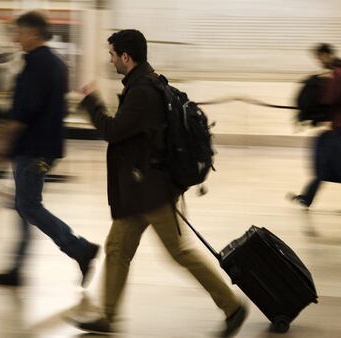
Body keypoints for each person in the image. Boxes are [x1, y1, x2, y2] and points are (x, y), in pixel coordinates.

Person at [71, 29, 247, 337]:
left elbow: (113, 131)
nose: (110, 60)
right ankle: (108, 316)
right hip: (141, 190)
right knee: (116, 249)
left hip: (151, 192)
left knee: (179, 252)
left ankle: (232, 305)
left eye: (112, 54)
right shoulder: (147, 83)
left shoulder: (142, 91)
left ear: (126, 57)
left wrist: (91, 104)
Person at [0, 11, 99, 287]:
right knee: (22, 205)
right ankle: (16, 267)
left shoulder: (37, 64)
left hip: (33, 148)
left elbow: (25, 110)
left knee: (28, 205)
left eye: (19, 33)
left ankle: (79, 248)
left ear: (33, 33)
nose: (16, 39)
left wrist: (2, 140)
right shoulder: (56, 63)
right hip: (42, 146)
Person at [290, 43, 341, 213]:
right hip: (340, 127)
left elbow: (330, 99)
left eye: (319, 57)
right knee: (326, 166)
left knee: (340, 167)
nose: (318, 61)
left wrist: (315, 86)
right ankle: (307, 198)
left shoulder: (339, 73)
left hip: (340, 129)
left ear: (326, 55)